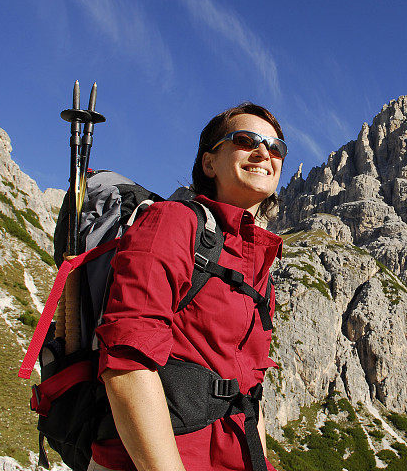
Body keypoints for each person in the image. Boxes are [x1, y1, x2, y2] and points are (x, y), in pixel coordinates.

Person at [89, 103, 286, 471]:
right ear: (209, 163)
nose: (264, 152)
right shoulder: (173, 221)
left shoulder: (262, 268)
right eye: (246, 140)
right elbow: (126, 360)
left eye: (276, 148)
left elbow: (249, 398)